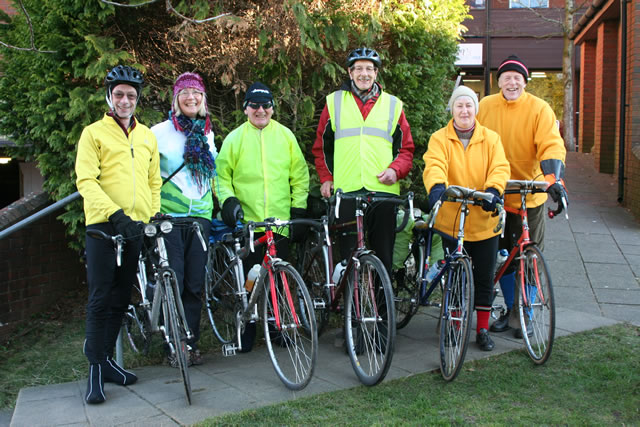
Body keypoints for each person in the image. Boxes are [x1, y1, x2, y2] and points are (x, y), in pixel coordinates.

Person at [75, 65, 162, 404]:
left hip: (136, 227)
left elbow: (154, 180)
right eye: (120, 94)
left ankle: (108, 361)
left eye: (131, 95)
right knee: (99, 299)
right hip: (103, 227)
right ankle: (95, 371)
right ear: (109, 96)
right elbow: (86, 181)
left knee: (122, 299)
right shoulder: (93, 133)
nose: (126, 100)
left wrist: (150, 214)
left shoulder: (146, 136)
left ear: (137, 99)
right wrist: (115, 214)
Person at [476, 55, 568, 337]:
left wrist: (553, 179)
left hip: (530, 195)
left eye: (517, 78)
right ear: (498, 81)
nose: (512, 82)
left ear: (525, 82)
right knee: (500, 258)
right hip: (494, 193)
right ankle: (510, 308)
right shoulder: (485, 106)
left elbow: (551, 144)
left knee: (528, 256)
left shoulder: (540, 109)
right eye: (506, 77)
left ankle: (523, 313)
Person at [214, 81, 309, 351]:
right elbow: (221, 177)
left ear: (272, 108)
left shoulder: (286, 136)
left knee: (279, 279)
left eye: (266, 105)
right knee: (250, 279)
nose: (261, 110)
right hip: (248, 223)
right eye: (254, 105)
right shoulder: (234, 138)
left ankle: (278, 327)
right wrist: (229, 203)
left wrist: (298, 209)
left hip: (279, 223)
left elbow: (300, 177)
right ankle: (247, 326)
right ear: (246, 108)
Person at [312, 47, 414, 275]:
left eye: (369, 68)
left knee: (383, 256)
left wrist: (395, 171)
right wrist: (326, 178)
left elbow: (406, 150)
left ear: (376, 73)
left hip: (383, 191)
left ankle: (383, 309)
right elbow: (322, 146)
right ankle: (351, 308)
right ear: (349, 73)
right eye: (358, 69)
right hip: (346, 191)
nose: (364, 74)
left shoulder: (393, 105)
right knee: (349, 257)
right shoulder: (334, 102)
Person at [423, 85, 510, 351]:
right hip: (452, 220)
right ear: (452, 109)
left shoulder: (491, 138)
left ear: (476, 109)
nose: (464, 110)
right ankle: (456, 325)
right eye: (459, 106)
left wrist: (494, 190)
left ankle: (482, 328)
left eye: (469, 105)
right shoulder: (439, 138)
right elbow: (434, 164)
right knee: (457, 276)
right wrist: (438, 188)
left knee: (484, 276)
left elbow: (500, 167)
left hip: (484, 220)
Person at [151, 72, 216, 366]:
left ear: (203, 99)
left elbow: (211, 175)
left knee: (194, 283)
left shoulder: (207, 132)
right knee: (173, 282)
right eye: (185, 92)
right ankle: (173, 345)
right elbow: (148, 174)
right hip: (170, 218)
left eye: (197, 93)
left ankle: (190, 343)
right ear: (176, 99)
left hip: (200, 217)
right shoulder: (158, 133)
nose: (192, 97)